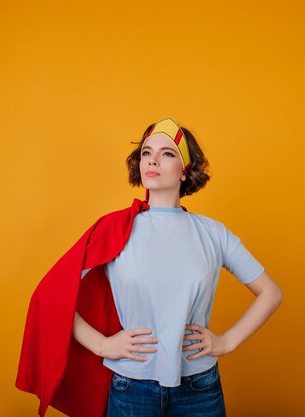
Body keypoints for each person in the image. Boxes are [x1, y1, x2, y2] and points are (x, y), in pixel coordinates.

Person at [70, 117, 283, 417]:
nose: (153, 160)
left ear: (185, 170)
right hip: (131, 389)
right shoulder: (116, 229)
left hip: (200, 389)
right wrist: (102, 345)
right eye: (146, 152)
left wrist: (227, 341)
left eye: (167, 153)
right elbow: (57, 294)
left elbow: (270, 293)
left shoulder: (213, 233)